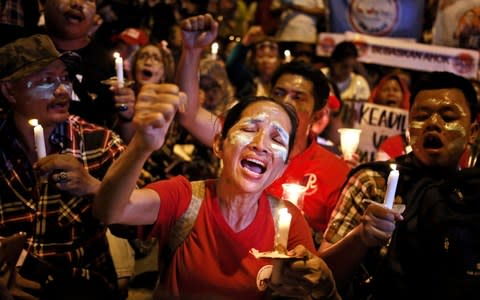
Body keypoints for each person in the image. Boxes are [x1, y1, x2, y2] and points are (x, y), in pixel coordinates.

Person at [93, 92, 339, 299]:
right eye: (249, 128)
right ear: (219, 144)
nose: (260, 144)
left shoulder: (288, 220)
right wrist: (141, 145)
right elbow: (110, 211)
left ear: (282, 169)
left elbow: (310, 287)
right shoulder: (185, 197)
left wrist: (325, 286)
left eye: (276, 139)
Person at [177, 15, 351, 247]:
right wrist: (191, 51)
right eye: (279, 93)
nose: (285, 103)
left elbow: (329, 256)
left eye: (298, 97)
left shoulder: (336, 172)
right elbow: (188, 114)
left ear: (318, 114)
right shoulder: (244, 138)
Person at [0, 34, 138, 300]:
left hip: (85, 287)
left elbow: (139, 226)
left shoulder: (99, 143)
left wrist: (94, 187)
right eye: (46, 81)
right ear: (9, 91)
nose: (62, 90)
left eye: (63, 78)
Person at [319, 71, 479, 299]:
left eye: (448, 117)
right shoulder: (372, 183)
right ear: (409, 127)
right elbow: (321, 276)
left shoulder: (473, 195)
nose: (433, 124)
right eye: (422, 116)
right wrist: (360, 238)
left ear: (472, 132)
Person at [225, 25, 282, 98]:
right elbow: (232, 65)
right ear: (254, 60)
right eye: (261, 57)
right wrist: (246, 42)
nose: (265, 61)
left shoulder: (282, 84)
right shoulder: (247, 83)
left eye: (271, 57)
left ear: (279, 60)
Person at [367, 73, 411, 161]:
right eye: (386, 90)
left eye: (395, 90)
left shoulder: (411, 123)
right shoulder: (364, 119)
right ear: (377, 94)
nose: (391, 94)